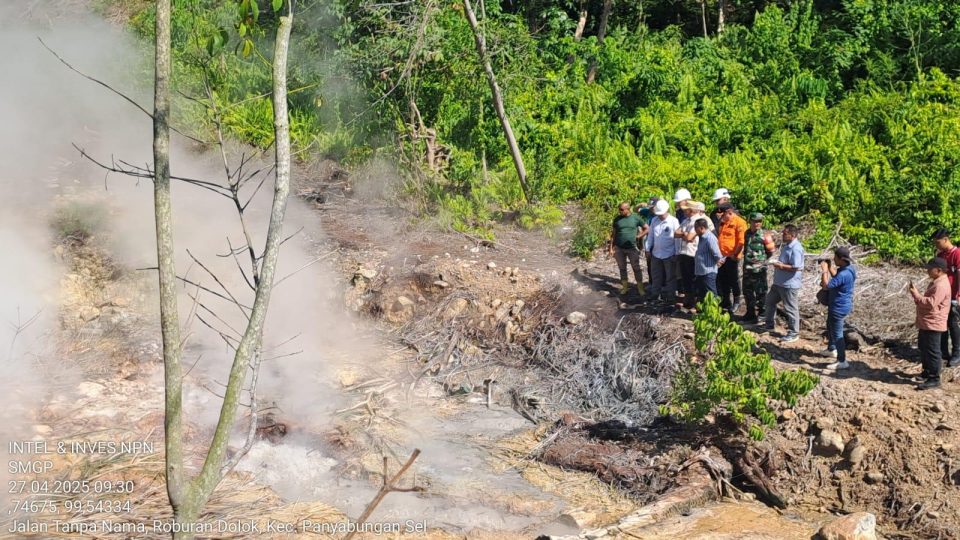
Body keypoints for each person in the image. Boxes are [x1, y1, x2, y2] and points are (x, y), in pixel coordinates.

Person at [910, 258, 952, 389]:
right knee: (924, 347)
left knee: (933, 351)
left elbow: (931, 303)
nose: (927, 270)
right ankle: (927, 372)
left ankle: (934, 378)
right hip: (927, 322)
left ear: (938, 270)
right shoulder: (937, 282)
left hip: (934, 323)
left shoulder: (941, 285)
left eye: (930, 268)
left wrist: (916, 295)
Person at [764, 224, 804, 343]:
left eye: (785, 233)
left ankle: (794, 332)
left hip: (789, 284)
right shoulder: (787, 246)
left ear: (792, 235)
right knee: (769, 301)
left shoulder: (796, 248)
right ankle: (769, 325)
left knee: (791, 308)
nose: (782, 235)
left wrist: (779, 265)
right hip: (779, 283)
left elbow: (796, 267)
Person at [819, 247, 857, 370]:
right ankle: (832, 349)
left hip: (838, 307)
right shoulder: (849, 269)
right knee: (830, 325)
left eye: (835, 258)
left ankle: (842, 360)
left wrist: (824, 271)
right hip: (841, 304)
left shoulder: (844, 273)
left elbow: (826, 286)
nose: (833, 259)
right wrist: (830, 268)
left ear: (841, 259)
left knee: (837, 334)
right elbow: (837, 278)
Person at [675, 201, 713, 308]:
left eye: (685, 209)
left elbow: (689, 238)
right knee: (686, 278)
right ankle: (688, 300)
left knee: (695, 279)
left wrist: (683, 234)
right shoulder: (686, 220)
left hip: (693, 254)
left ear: (690, 210)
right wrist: (684, 234)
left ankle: (697, 303)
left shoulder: (698, 221)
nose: (683, 211)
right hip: (684, 252)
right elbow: (676, 233)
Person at [932, 228, 960, 367]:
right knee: (941, 323)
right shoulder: (941, 255)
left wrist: (958, 295)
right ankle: (943, 352)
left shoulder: (957, 254)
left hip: (953, 295)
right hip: (941, 295)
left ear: (945, 240)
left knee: (953, 324)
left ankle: (957, 353)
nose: (936, 245)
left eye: (938, 242)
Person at [741, 213, 775, 323]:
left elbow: (770, 252)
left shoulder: (765, 235)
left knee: (761, 292)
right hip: (747, 268)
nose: (757, 223)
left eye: (759, 221)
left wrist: (761, 261)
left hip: (759, 269)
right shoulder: (747, 233)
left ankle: (762, 313)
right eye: (755, 221)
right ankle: (750, 313)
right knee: (747, 291)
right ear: (750, 221)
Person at [645, 199, 680, 303]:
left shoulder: (673, 221)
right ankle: (655, 294)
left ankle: (671, 297)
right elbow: (650, 236)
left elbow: (678, 239)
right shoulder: (654, 221)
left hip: (669, 254)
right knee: (656, 276)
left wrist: (677, 253)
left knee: (670, 277)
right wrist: (647, 248)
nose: (660, 216)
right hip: (656, 253)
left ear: (666, 210)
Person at [716, 203, 747, 313]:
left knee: (734, 280)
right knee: (723, 278)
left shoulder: (739, 222)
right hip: (722, 256)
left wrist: (735, 254)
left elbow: (741, 241)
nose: (721, 217)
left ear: (729, 212)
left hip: (733, 256)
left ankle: (737, 301)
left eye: (723, 215)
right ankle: (726, 300)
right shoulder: (723, 221)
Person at [609, 202, 645, 295]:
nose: (619, 211)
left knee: (636, 268)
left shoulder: (635, 218)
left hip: (632, 248)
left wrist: (639, 236)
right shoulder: (617, 219)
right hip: (619, 248)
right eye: (619, 209)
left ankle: (640, 288)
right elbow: (613, 234)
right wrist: (611, 248)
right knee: (622, 268)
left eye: (621, 209)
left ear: (627, 209)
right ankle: (625, 287)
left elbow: (647, 228)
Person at [693, 218, 722, 306]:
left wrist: (718, 263)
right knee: (703, 294)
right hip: (701, 271)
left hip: (708, 271)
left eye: (696, 228)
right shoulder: (702, 238)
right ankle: (705, 313)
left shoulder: (710, 238)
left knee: (711, 294)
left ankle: (715, 313)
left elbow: (717, 254)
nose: (695, 230)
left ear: (702, 228)